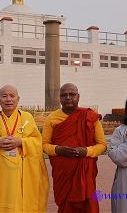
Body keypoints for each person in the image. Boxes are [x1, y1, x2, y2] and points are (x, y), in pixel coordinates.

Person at [0, 84, 49, 212]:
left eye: (12, 96)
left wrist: (20, 141)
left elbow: (37, 142)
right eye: (4, 96)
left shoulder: (27, 118)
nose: (8, 99)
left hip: (23, 173)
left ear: (18, 99)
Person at [42, 83, 107, 213]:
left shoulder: (90, 116)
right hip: (63, 172)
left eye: (72, 94)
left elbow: (102, 146)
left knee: (88, 204)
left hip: (84, 170)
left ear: (78, 96)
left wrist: (86, 151)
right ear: (59, 98)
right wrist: (58, 149)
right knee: (65, 205)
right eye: (64, 95)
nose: (68, 97)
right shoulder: (52, 118)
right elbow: (44, 145)